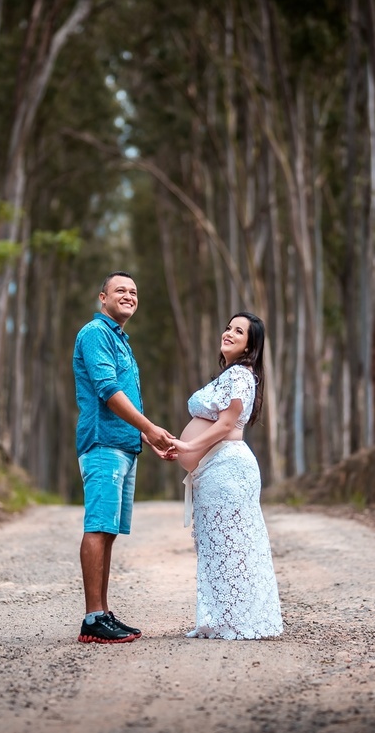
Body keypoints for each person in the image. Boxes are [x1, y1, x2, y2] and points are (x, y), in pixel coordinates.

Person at [72, 271, 176, 644]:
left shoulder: (119, 339)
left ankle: (101, 612)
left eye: (134, 291)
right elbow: (108, 390)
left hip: (124, 445)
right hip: (102, 444)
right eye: (120, 290)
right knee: (98, 525)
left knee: (109, 530)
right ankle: (92, 618)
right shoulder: (95, 334)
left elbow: (125, 397)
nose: (129, 296)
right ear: (102, 297)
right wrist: (150, 427)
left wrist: (142, 436)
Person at [171, 312, 284, 640]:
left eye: (239, 331)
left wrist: (184, 444)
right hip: (217, 471)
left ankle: (239, 621)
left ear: (251, 345)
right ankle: (223, 619)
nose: (229, 333)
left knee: (233, 546)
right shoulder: (233, 375)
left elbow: (224, 425)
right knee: (220, 547)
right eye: (229, 327)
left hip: (228, 471)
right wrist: (183, 448)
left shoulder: (240, 375)